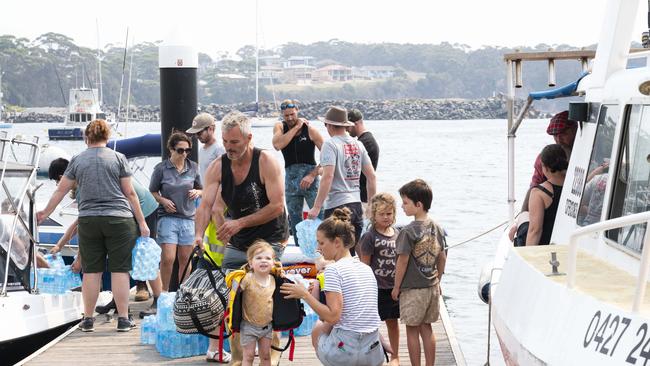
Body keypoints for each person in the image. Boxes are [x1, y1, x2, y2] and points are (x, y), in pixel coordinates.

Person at [37, 119, 150, 333]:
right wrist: (142, 222)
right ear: (107, 137)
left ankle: (87, 319)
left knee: (91, 271)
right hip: (119, 220)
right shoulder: (118, 158)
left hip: (88, 220)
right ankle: (124, 320)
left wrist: (45, 213)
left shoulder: (78, 160)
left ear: (86, 137)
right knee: (120, 270)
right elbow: (130, 193)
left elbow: (60, 191)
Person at [194, 110, 288, 365]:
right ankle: (239, 360)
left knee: (266, 297)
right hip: (238, 240)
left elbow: (278, 205)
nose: (228, 147)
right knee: (234, 303)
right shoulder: (218, 166)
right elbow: (205, 206)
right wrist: (199, 235)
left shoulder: (265, 161)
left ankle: (271, 358)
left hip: (270, 236)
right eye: (225, 142)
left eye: (234, 142)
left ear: (249, 138)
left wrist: (239, 223)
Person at [47, 158, 163, 316]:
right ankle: (118, 301)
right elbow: (81, 222)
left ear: (62, 178)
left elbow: (84, 226)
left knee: (144, 255)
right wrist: (60, 245)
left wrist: (79, 258)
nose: (57, 186)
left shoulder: (84, 186)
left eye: (56, 182)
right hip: (124, 212)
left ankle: (159, 300)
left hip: (144, 208)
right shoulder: (84, 181)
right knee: (122, 259)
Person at [280, 208, 385, 366]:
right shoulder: (366, 268)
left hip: (346, 353)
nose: (318, 248)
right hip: (374, 351)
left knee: (318, 328)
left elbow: (332, 316)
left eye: (321, 242)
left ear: (337, 242)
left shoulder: (333, 271)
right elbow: (367, 314)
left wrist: (304, 295)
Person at [392, 179, 446, 366]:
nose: (402, 206)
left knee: (412, 330)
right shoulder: (437, 227)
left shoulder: (408, 232)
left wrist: (396, 287)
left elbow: (403, 260)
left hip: (412, 289)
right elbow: (442, 257)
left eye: (405, 202)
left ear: (418, 205)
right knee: (427, 329)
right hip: (431, 287)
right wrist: (438, 279)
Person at [307, 106, 376, 249]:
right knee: (351, 254)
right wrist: (370, 205)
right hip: (356, 206)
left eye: (325, 124)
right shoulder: (359, 144)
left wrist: (316, 207)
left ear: (330, 125)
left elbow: (328, 176)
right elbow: (372, 177)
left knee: (333, 255)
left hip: (336, 207)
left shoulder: (330, 144)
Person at [150, 132, 202, 291]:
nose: (184, 154)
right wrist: (163, 201)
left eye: (187, 150)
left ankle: (182, 292)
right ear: (171, 150)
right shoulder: (161, 169)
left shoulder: (193, 167)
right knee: (168, 258)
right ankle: (163, 293)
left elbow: (202, 188)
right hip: (168, 217)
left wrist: (198, 192)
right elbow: (152, 191)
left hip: (188, 218)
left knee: (186, 259)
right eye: (180, 150)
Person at [272, 99, 324, 245]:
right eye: (286, 115)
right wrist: (295, 128)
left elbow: (328, 156)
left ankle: (322, 247)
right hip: (291, 181)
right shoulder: (280, 127)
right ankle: (299, 248)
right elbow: (277, 145)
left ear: (298, 111)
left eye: (292, 114)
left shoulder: (310, 130)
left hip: (310, 181)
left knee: (319, 216)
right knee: (294, 218)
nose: (289, 118)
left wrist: (313, 174)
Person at [358, 193, 400, 366]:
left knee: (393, 323)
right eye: (382, 214)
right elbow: (365, 265)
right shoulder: (369, 236)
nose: (385, 217)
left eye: (389, 213)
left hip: (392, 288)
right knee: (372, 325)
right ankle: (372, 356)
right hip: (375, 288)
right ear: (373, 215)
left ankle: (396, 355)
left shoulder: (397, 234)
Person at [239, 241, 280, 366]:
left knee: (266, 356)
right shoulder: (247, 279)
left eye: (268, 258)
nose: (263, 261)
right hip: (248, 325)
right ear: (251, 263)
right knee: (249, 356)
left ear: (273, 262)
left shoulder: (274, 279)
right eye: (259, 258)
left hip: (266, 326)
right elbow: (234, 296)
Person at [526, 144, 568, 245]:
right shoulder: (574, 186)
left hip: (546, 247)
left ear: (545, 167)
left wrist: (529, 255)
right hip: (568, 243)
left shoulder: (539, 192)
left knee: (523, 216)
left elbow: (535, 230)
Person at [530, 110, 577, 187]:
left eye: (564, 134)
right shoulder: (545, 158)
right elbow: (535, 186)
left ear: (575, 131)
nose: (559, 140)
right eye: (555, 136)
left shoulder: (591, 152)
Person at [347, 109, 379, 206]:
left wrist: (370, 204)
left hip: (362, 198)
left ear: (355, 123)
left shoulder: (365, 142)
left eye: (348, 126)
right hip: (360, 195)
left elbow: (371, 176)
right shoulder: (365, 140)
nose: (346, 130)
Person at [186, 112, 225, 185]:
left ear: (210, 129)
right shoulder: (201, 149)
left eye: (199, 133)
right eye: (195, 134)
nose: (197, 136)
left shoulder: (220, 149)